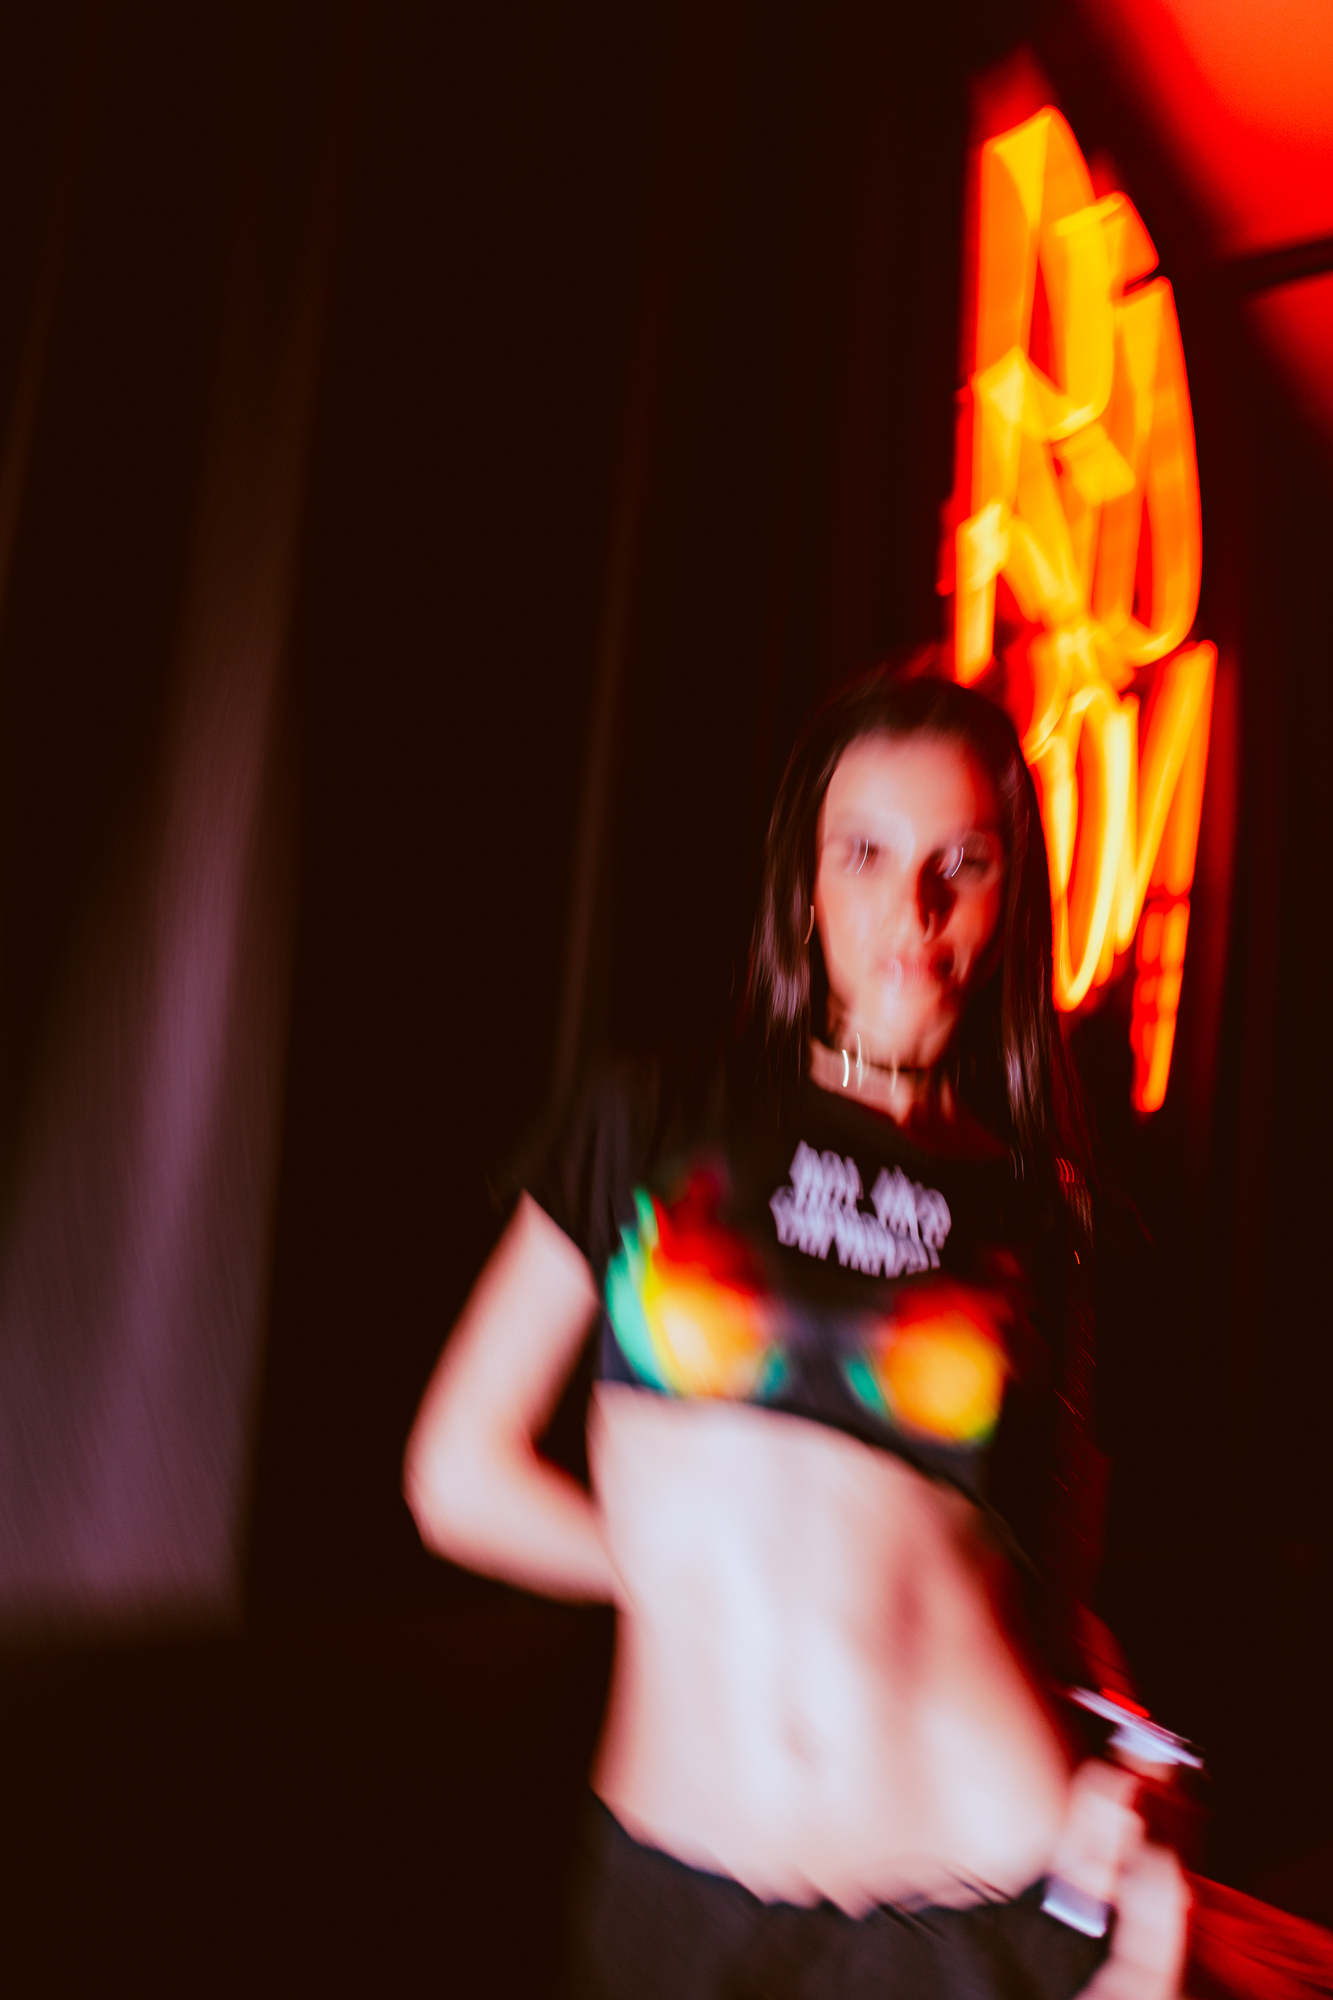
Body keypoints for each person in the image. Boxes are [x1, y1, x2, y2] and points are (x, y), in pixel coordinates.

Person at [404, 657, 1196, 1999]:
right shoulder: (649, 1120)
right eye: (866, 854)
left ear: (1012, 898)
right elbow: (456, 1474)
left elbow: (1060, 1613)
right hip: (676, 1907)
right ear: (806, 886)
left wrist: (1148, 1779)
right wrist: (681, 1570)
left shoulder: (1043, 1216)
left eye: (964, 863)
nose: (913, 908)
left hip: (979, 1918)